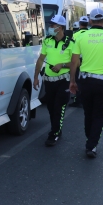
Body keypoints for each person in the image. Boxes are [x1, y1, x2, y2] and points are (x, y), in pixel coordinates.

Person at [69, 8, 103, 158]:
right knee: (99, 115)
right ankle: (92, 145)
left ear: (91, 21)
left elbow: (74, 61)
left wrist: (72, 81)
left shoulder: (80, 37)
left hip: (85, 82)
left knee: (88, 113)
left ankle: (90, 140)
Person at [33, 15, 74, 146]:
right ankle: (57, 128)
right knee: (51, 107)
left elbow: (75, 63)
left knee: (59, 106)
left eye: (53, 25)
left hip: (64, 80)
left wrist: (62, 65)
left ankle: (54, 134)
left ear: (60, 27)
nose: (50, 27)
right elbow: (40, 59)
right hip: (49, 80)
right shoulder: (47, 41)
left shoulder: (71, 43)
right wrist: (35, 78)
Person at [68, 16, 90, 108]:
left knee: (78, 80)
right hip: (89, 59)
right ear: (88, 24)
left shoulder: (76, 35)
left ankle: (78, 100)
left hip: (78, 60)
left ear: (80, 24)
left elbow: (73, 49)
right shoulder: (90, 34)